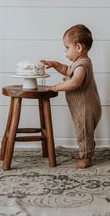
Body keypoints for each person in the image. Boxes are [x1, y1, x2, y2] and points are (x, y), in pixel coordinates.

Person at [42, 24, 102, 169]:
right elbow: (68, 71)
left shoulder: (82, 66)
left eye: (67, 48)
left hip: (86, 108)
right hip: (85, 107)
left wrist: (55, 87)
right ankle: (85, 150)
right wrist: (56, 64)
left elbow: (74, 82)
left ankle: (86, 157)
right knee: (84, 131)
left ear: (79, 47)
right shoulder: (78, 63)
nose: (65, 52)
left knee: (83, 132)